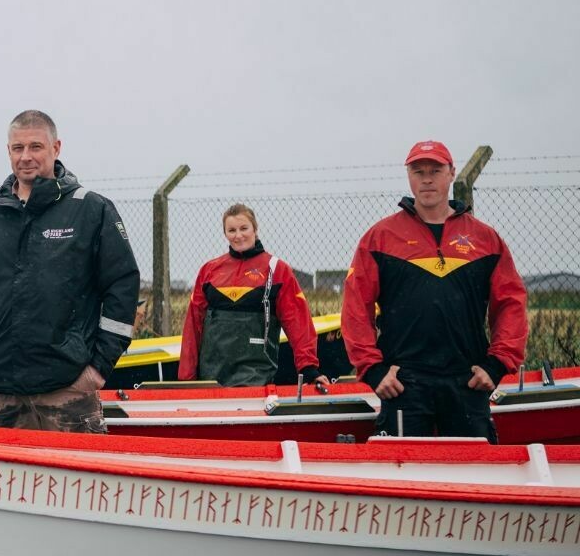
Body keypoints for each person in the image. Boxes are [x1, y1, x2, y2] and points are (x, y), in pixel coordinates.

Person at [0, 110, 140, 433]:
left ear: (56, 147)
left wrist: (98, 368)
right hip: (1, 393)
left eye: (36, 147)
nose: (26, 157)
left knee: (82, 483)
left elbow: (122, 286)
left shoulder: (91, 210)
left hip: (68, 392)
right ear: (8, 152)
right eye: (17, 148)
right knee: (8, 485)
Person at [342, 140, 528, 443]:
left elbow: (511, 303)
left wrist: (497, 364)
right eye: (418, 171)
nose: (427, 178)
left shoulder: (485, 239)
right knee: (401, 481)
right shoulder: (379, 238)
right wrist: (373, 370)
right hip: (403, 383)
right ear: (409, 176)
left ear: (451, 173)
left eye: (435, 170)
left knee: (475, 480)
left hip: (468, 381)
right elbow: (355, 307)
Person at [178, 204, 329, 388]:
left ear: (255, 229)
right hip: (211, 380)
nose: (238, 235)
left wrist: (309, 369)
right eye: (231, 230)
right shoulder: (209, 271)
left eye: (244, 228)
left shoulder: (277, 270)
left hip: (257, 381)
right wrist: (186, 379)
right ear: (225, 233)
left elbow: (298, 322)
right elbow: (193, 326)